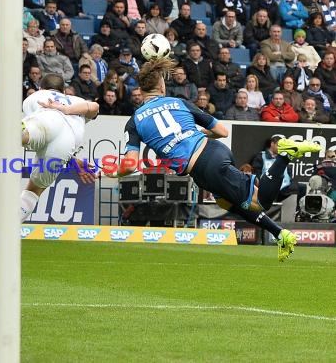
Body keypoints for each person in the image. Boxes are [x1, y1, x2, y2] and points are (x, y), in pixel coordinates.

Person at [103, 57, 321, 262]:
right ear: (161, 86)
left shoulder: (135, 121)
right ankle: (280, 234)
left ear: (141, 91)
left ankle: (284, 154)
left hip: (205, 166)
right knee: (228, 202)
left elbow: (129, 165)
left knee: (259, 201)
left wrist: (111, 172)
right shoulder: (179, 103)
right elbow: (222, 131)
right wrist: (193, 135)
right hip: (211, 154)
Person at [20, 73, 99, 224]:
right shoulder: (77, 101)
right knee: (34, 190)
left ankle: (8, 128)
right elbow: (95, 107)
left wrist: (59, 109)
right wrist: (67, 110)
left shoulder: (38, 95)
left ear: (41, 87)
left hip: (48, 120)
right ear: (64, 91)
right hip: (69, 143)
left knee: (23, 134)